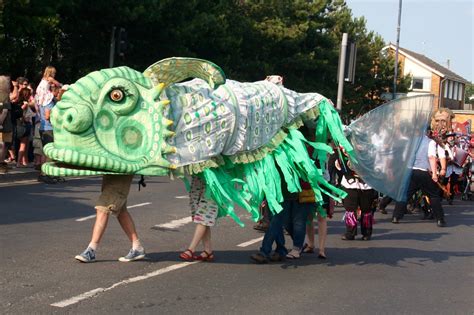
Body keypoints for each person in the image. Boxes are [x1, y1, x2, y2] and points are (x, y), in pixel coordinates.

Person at [75, 175, 146, 262]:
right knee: (121, 210)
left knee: (103, 207)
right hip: (111, 172)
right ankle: (137, 247)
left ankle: (91, 251)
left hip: (121, 172)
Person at [392, 129, 448, 227]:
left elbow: (405, 156)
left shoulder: (412, 141)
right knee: (433, 195)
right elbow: (431, 157)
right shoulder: (430, 142)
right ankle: (440, 219)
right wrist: (434, 173)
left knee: (405, 194)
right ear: (427, 132)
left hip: (412, 171)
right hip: (424, 171)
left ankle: (396, 216)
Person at [336, 148, 377, 241]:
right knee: (350, 208)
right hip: (350, 183)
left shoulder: (370, 145)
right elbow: (340, 163)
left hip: (366, 183)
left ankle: (367, 233)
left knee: (366, 209)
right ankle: (350, 233)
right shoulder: (345, 145)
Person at [179, 176, 218, 262]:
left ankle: (191, 249)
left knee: (203, 215)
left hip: (213, 181)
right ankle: (208, 251)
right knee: (200, 215)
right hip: (197, 179)